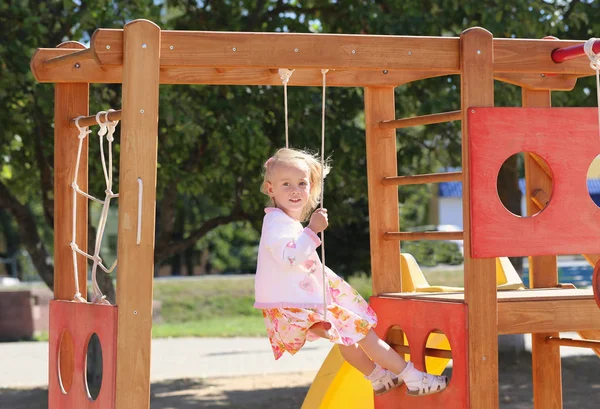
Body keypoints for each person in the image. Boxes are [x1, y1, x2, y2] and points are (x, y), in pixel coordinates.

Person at [254, 147, 448, 396]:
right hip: (294, 304)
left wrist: (308, 231)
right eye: (286, 184)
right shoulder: (277, 224)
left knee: (345, 336)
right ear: (271, 189)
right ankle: (413, 378)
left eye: (302, 183)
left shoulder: (283, 221)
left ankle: (377, 377)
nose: (295, 190)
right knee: (364, 334)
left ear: (311, 186)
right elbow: (290, 257)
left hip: (294, 302)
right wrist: (312, 230)